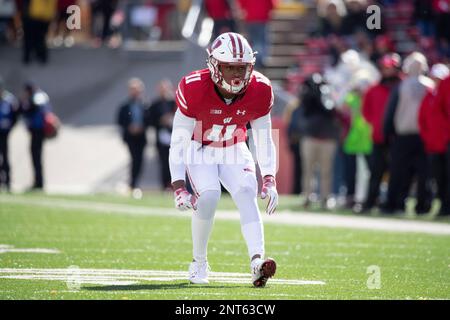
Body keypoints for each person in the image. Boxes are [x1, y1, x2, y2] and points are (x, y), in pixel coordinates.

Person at [169, 32, 278, 287]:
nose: (237, 75)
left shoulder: (260, 89)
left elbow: (264, 138)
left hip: (233, 146)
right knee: (209, 197)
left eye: (242, 68)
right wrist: (178, 186)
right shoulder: (194, 87)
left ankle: (256, 262)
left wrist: (270, 178)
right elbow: (178, 141)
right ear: (214, 65)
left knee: (247, 190)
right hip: (200, 147)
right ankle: (199, 262)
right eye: (230, 68)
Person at [383, 52, 433, 214]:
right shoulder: (429, 85)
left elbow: (390, 112)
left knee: (405, 172)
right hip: (415, 135)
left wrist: (387, 132)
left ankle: (397, 203)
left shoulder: (404, 86)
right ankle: (419, 205)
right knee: (419, 173)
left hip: (411, 135)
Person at [358, 53, 401, 213]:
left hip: (398, 137)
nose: (387, 71)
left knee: (397, 173)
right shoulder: (374, 89)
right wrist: (376, 124)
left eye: (391, 68)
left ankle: (393, 204)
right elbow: (366, 111)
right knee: (376, 171)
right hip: (378, 137)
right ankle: (370, 203)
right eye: (385, 68)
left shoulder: (402, 87)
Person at [418, 63, 450, 217]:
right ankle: (442, 207)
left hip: (445, 143)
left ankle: (446, 207)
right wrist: (427, 138)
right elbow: (422, 119)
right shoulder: (429, 95)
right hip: (433, 145)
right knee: (437, 179)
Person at [117, 78, 148, 198]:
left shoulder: (144, 105)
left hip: (141, 137)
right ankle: (132, 183)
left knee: (139, 160)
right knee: (134, 159)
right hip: (130, 137)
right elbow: (120, 120)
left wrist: (141, 127)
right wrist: (130, 127)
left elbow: (149, 119)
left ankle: (135, 183)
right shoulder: (125, 106)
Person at [20, 82, 51, 190]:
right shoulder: (40, 96)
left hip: (38, 131)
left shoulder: (38, 96)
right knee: (36, 156)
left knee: (36, 156)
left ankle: (39, 182)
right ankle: (38, 180)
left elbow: (32, 107)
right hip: (35, 130)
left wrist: (25, 102)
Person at [146, 79, 176, 191]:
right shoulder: (155, 104)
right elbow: (149, 120)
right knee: (163, 162)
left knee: (176, 162)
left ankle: (177, 186)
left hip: (176, 138)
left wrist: (171, 120)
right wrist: (160, 121)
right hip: (161, 137)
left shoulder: (175, 103)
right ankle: (165, 185)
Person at [432, 72, 450, 216]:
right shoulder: (446, 82)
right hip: (447, 137)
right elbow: (439, 109)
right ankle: (445, 207)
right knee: (443, 174)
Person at [0, 77, 19, 192]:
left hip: (4, 132)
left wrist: (10, 127)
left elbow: (15, 116)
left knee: (5, 156)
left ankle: (7, 181)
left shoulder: (9, 100)